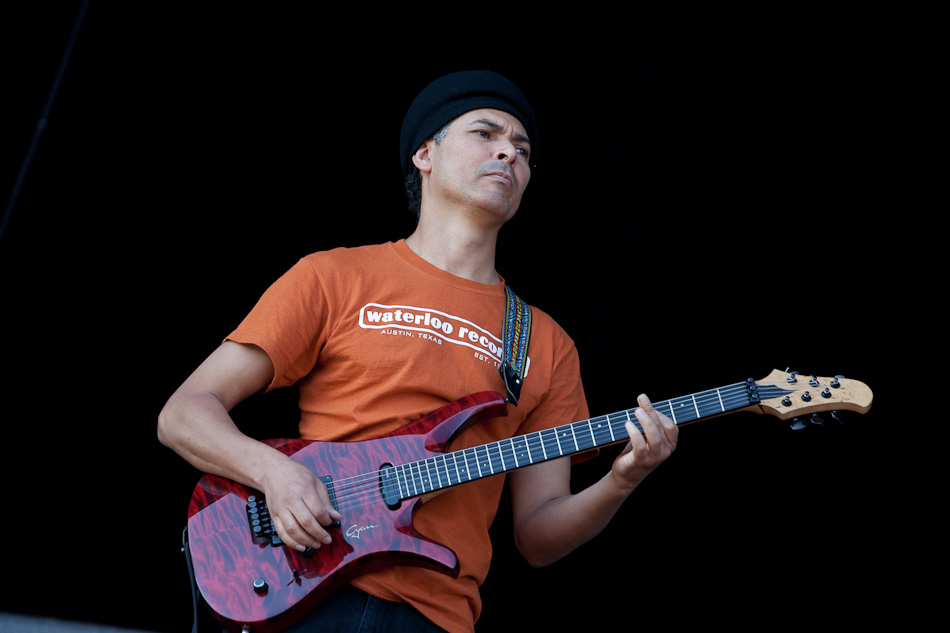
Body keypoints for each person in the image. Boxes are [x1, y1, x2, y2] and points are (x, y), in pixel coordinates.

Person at [158, 70, 678, 633]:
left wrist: (621, 480)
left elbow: (538, 536)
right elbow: (184, 413)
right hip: (305, 585)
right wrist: (275, 475)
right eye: (486, 133)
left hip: (437, 617)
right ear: (425, 154)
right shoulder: (334, 276)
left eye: (523, 149)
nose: (509, 152)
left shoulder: (546, 343)